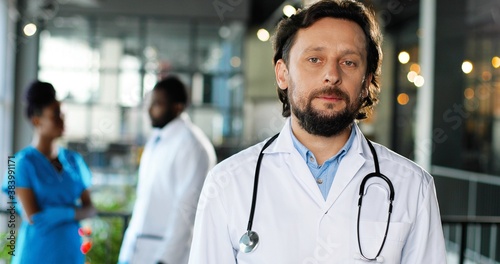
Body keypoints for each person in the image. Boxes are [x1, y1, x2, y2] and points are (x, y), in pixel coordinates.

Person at [188, 0, 447, 263]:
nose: (331, 75)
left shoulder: (414, 187)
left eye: (349, 62)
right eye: (314, 59)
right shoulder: (226, 183)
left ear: (367, 82)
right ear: (283, 74)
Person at [118, 76, 217, 264]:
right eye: (149, 102)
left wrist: (165, 260)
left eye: (157, 104)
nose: (149, 109)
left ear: (177, 107)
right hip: (137, 250)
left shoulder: (192, 145)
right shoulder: (157, 139)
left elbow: (187, 210)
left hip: (165, 255)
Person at [1, 81, 97, 264]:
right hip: (36, 254)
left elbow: (91, 208)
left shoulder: (74, 160)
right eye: (56, 115)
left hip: (70, 253)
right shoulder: (20, 163)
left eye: (63, 115)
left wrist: (57, 213)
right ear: (37, 121)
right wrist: (74, 213)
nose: (63, 121)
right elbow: (35, 217)